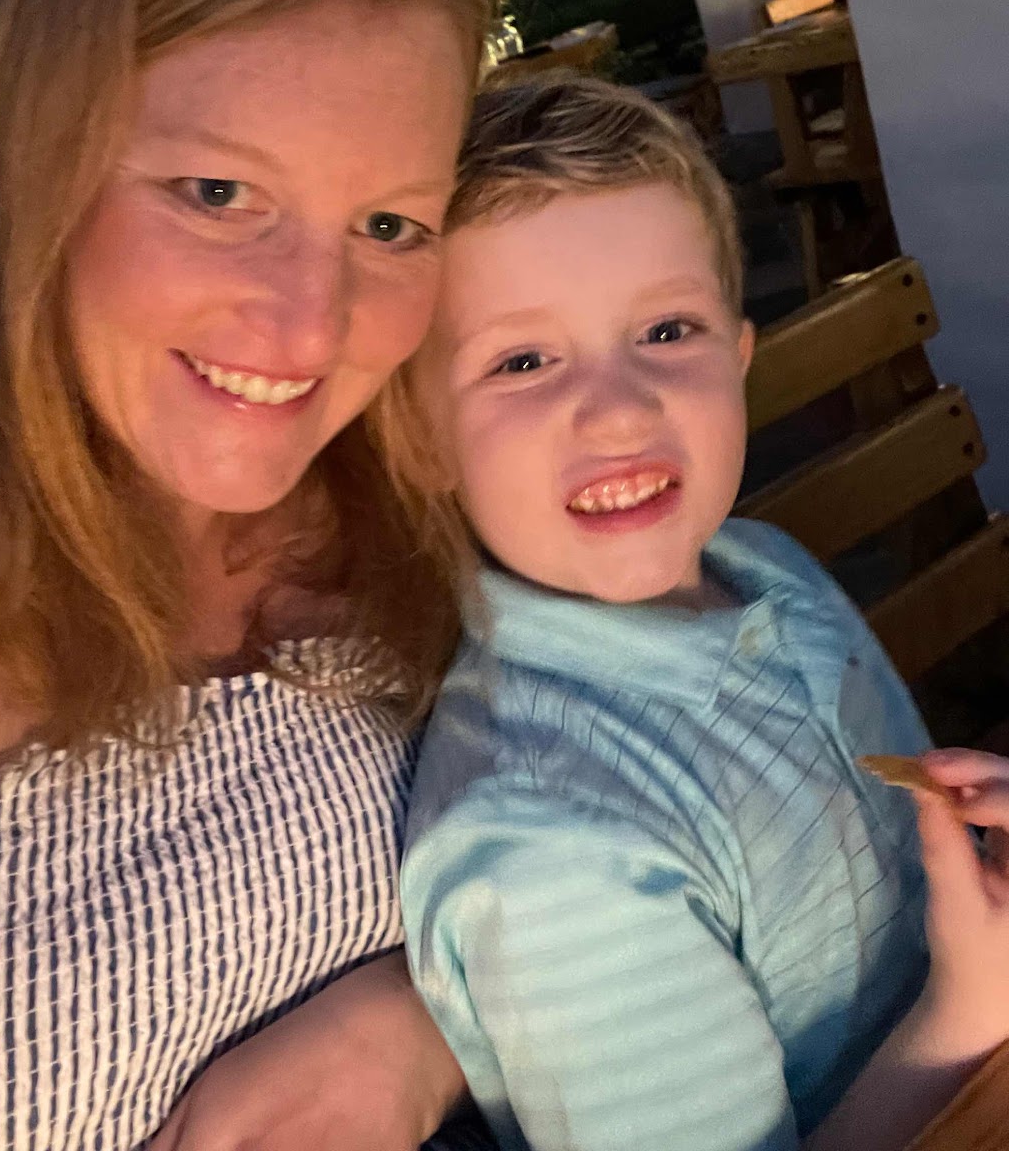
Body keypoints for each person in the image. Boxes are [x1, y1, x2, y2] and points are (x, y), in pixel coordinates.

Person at [0, 0, 497, 1150]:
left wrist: (426, 1025)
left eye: (388, 223)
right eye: (218, 195)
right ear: (23, 164)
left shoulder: (397, 489)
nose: (310, 325)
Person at [390, 73, 962, 1151]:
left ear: (738, 361)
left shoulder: (768, 570)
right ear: (419, 441)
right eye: (523, 360)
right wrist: (967, 1014)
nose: (618, 409)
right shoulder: (558, 851)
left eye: (666, 329)